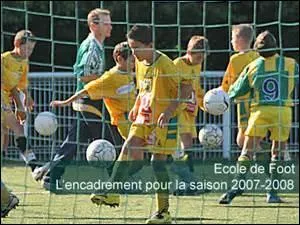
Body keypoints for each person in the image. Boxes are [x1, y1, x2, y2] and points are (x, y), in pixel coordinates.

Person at [90, 25, 192, 224]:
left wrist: (169, 112)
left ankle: (163, 212)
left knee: (157, 163)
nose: (133, 52)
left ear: (150, 45)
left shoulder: (165, 65)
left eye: (136, 47)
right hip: (144, 117)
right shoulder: (139, 62)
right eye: (130, 47)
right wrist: (137, 105)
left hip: (165, 121)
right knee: (129, 146)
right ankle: (112, 191)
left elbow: (186, 89)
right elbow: (144, 88)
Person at [32, 8, 123, 190]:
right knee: (108, 141)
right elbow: (82, 75)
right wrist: (106, 80)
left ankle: (50, 173)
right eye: (107, 23)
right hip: (88, 102)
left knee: (75, 142)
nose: (110, 26)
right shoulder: (91, 46)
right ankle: (119, 183)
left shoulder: (95, 44)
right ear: (93, 25)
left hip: (90, 101)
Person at [219, 30, 298, 204]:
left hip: (259, 111)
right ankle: (272, 193)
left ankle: (237, 186)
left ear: (257, 49)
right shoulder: (291, 63)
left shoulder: (253, 66)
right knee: (277, 152)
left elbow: (236, 90)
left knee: (247, 150)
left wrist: (221, 100)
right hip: (282, 111)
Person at [50, 41, 136, 141]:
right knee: (135, 147)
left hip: (135, 116)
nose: (134, 64)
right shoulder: (110, 78)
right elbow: (85, 90)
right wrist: (65, 102)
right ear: (120, 59)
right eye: (132, 61)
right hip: (123, 120)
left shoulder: (128, 73)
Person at [169, 35, 209, 195]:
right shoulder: (177, 65)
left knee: (187, 146)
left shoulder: (197, 66)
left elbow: (196, 89)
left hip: (190, 113)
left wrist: (204, 103)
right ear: (189, 52)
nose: (200, 60)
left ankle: (185, 186)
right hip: (178, 111)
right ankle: (190, 184)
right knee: (182, 146)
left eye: (203, 57)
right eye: (198, 57)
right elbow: (170, 89)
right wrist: (184, 103)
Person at [1, 29, 38, 176]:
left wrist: (27, 96)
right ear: (17, 43)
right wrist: (19, 106)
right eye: (27, 48)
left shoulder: (24, 62)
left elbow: (19, 85)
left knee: (5, 137)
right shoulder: (4, 60)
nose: (29, 51)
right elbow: (8, 85)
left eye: (31, 49)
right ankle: (34, 167)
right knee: (17, 128)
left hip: (6, 99)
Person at [220, 24, 259, 148]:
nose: (231, 41)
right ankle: (257, 153)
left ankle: (253, 157)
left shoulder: (235, 59)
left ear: (240, 40)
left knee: (242, 138)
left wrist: (219, 95)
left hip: (243, 102)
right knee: (254, 132)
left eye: (233, 38)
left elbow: (227, 83)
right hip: (259, 101)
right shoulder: (258, 56)